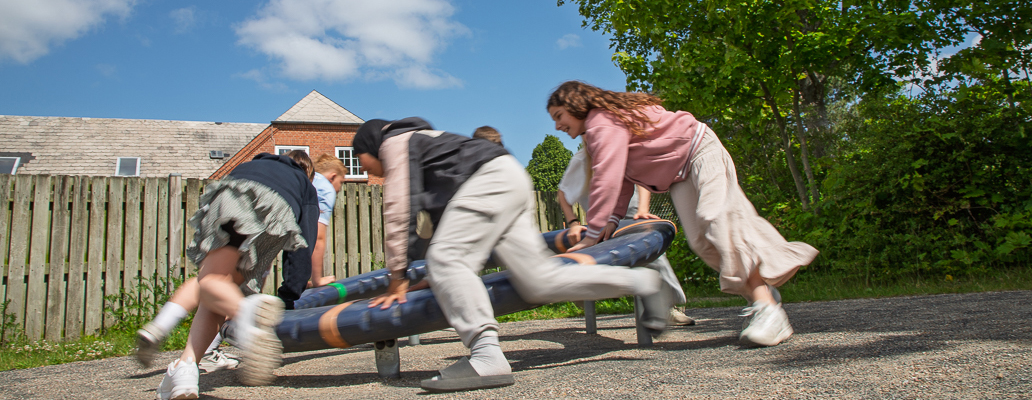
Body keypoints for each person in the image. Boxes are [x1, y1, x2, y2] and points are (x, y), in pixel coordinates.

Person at [354, 117, 670, 393]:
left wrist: (398, 278)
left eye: (362, 160)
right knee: (539, 282)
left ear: (372, 144)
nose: (367, 168)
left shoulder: (394, 143)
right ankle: (642, 282)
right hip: (508, 176)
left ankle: (486, 356)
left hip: (488, 180)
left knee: (447, 258)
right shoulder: (426, 147)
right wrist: (431, 276)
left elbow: (398, 211)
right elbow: (444, 231)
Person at [546, 80, 818, 347]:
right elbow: (623, 180)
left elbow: (607, 179)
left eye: (559, 116)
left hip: (698, 149)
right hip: (679, 173)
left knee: (716, 217)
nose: (557, 126)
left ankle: (769, 310)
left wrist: (592, 235)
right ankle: (761, 295)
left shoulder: (602, 121)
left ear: (576, 104)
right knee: (701, 241)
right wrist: (613, 219)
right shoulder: (594, 135)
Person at [135, 151, 325, 373]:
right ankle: (248, 318)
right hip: (275, 205)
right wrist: (290, 294)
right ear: (308, 173)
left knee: (212, 282)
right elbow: (303, 245)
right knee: (217, 282)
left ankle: (178, 355)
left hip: (229, 193)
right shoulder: (303, 185)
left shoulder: (252, 165)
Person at [557, 147, 694, 326]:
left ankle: (668, 307)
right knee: (597, 259)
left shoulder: (623, 148)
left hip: (630, 217)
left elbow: (642, 180)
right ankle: (580, 289)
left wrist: (643, 209)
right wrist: (574, 222)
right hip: (600, 225)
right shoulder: (582, 159)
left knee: (654, 255)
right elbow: (563, 193)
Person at [309, 153, 348, 287]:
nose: (339, 189)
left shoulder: (310, 180)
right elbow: (318, 237)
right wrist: (317, 280)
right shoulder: (326, 189)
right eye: (341, 182)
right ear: (333, 177)